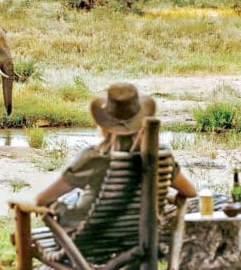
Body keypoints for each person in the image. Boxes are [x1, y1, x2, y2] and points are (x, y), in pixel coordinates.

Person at [35, 82, 197, 228]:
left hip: (90, 241)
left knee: (70, 198)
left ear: (103, 124)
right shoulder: (162, 155)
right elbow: (189, 193)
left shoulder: (94, 157)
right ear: (142, 121)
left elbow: (41, 200)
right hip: (141, 236)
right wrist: (157, 198)